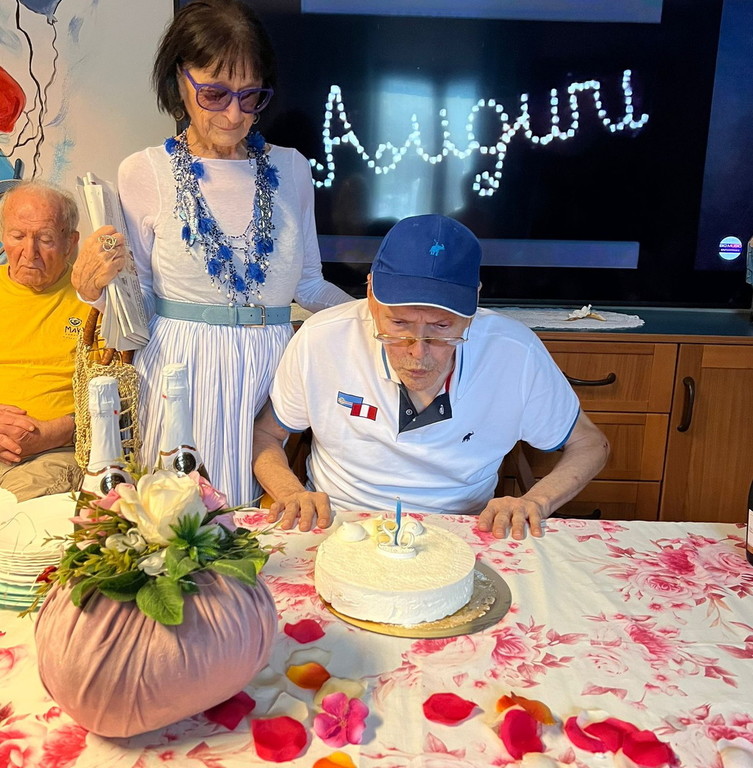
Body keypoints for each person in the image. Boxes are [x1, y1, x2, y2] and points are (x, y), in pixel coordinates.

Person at [71, 0, 352, 506]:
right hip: (180, 367)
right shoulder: (145, 171)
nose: (234, 114)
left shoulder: (292, 169)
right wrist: (92, 289)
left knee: (261, 525)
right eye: (215, 94)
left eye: (251, 96)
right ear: (178, 81)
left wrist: (374, 314)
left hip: (272, 365)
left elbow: (308, 284)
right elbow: (138, 299)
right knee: (180, 517)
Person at [253, 214, 610, 539]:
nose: (418, 353)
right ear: (371, 294)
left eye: (441, 328)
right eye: (399, 324)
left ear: (473, 305)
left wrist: (537, 501)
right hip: (341, 522)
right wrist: (290, 492)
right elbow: (267, 433)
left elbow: (590, 443)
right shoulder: (322, 338)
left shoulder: (515, 351)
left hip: (464, 529)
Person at [0, 181, 89, 501]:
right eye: (17, 236)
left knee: (13, 514)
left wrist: (54, 432)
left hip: (54, 453)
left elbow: (120, 399)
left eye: (46, 239)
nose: (29, 252)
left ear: (70, 242)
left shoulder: (95, 299)